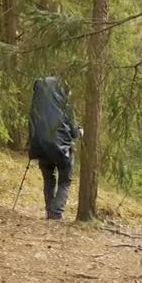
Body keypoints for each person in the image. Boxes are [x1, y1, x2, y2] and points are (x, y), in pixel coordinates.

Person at [27, 76, 82, 220]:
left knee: (48, 179)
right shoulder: (65, 106)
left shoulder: (37, 106)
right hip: (61, 149)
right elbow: (75, 131)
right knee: (65, 180)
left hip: (41, 147)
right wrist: (80, 132)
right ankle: (56, 213)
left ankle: (50, 212)